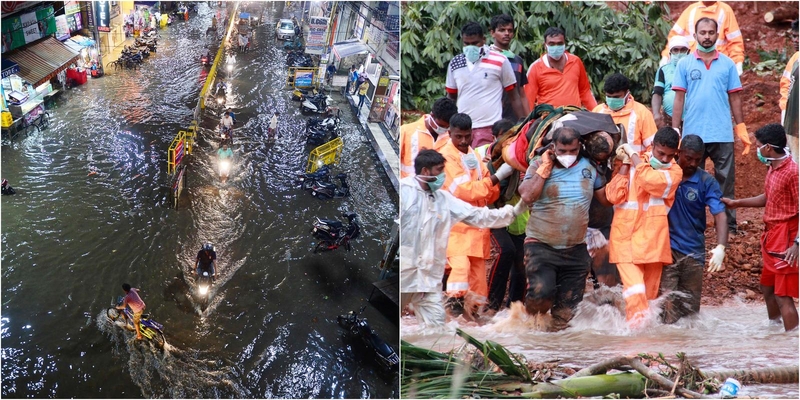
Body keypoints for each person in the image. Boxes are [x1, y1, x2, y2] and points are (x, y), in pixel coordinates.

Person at [400, 149, 526, 328]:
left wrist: (514, 211)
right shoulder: (404, 192)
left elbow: (478, 215)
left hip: (429, 278)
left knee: (436, 330)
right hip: (405, 274)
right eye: (439, 170)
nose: (443, 175)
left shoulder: (443, 199)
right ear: (426, 172)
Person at [518, 127, 609, 331]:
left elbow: (606, 199)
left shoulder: (590, 167)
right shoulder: (539, 164)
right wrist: (545, 169)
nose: (567, 156)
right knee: (541, 296)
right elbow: (527, 196)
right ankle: (529, 339)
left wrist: (622, 168)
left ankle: (558, 357)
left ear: (580, 147)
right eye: (562, 151)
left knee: (567, 312)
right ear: (553, 147)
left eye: (573, 151)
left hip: (576, 250)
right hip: (541, 245)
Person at [672, 17, 748, 234]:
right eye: (702, 32)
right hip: (692, 135)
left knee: (725, 181)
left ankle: (728, 226)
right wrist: (677, 129)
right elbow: (679, 98)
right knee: (690, 180)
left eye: (711, 32)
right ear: (695, 35)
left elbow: (735, 97)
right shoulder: (684, 64)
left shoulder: (727, 64)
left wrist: (740, 126)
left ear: (717, 35)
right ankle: (692, 225)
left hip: (722, 132)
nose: (707, 36)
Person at [722, 123, 798, 331]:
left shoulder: (793, 172)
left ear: (769, 148)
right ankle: (774, 331)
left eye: (759, 145)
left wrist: (797, 244)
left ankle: (792, 344)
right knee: (767, 287)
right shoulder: (773, 168)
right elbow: (769, 197)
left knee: (783, 296)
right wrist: (737, 203)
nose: (757, 149)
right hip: (772, 235)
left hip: (786, 238)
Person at [439, 113, 515, 318]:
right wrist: (496, 179)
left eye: (467, 136)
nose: (463, 141)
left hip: (477, 229)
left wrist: (490, 184)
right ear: (450, 134)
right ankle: (452, 320)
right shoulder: (446, 158)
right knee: (459, 276)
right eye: (459, 137)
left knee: (479, 285)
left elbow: (489, 192)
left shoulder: (472, 155)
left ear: (472, 133)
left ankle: (473, 322)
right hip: (457, 229)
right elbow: (466, 191)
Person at [606, 127, 683, 327]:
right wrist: (625, 163)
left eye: (669, 155)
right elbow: (613, 196)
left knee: (648, 301)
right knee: (635, 293)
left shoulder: (674, 172)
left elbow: (649, 180)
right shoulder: (632, 162)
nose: (664, 159)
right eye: (660, 153)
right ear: (652, 146)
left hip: (653, 244)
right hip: (625, 239)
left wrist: (632, 156)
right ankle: (636, 344)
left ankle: (644, 349)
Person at [660, 134, 728, 324]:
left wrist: (721, 246)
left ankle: (689, 351)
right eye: (688, 158)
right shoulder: (663, 174)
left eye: (697, 160)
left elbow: (720, 214)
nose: (692, 163)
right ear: (678, 153)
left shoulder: (706, 182)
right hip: (666, 250)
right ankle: (666, 352)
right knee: (666, 308)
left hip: (694, 253)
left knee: (690, 312)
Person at [445, 21, 525, 148]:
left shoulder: (500, 60)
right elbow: (451, 98)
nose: (471, 47)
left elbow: (514, 96)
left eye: (475, 43)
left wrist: (523, 124)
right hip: (462, 130)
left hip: (490, 128)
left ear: (483, 39)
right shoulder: (455, 63)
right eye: (467, 44)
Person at [660, 1, 745, 75]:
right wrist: (667, 55)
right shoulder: (691, 10)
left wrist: (737, 62)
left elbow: (734, 41)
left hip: (717, 65)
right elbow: (675, 38)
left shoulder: (725, 10)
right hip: (691, 65)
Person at [524, 27, 597, 111]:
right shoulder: (535, 68)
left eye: (559, 43)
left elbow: (585, 91)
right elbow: (528, 100)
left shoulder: (575, 61)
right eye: (551, 44)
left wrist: (597, 112)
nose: (556, 47)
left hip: (574, 116)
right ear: (545, 45)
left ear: (564, 44)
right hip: (549, 118)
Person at [593, 73, 657, 155]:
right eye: (609, 97)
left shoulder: (642, 113)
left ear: (627, 94)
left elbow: (652, 148)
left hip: (634, 166)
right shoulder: (597, 112)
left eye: (616, 97)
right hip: (604, 167)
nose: (612, 100)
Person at [399, 97, 459, 178]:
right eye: (441, 126)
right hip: (409, 187)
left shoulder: (452, 137)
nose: (444, 129)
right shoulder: (406, 131)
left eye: (447, 127)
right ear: (432, 115)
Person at [489, 14, 530, 120]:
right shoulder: (486, 59)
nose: (506, 33)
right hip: (492, 118)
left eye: (510, 30)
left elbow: (522, 94)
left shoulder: (517, 60)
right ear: (492, 33)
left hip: (514, 118)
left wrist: (527, 120)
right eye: (502, 30)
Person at [652, 36, 691, 129]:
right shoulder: (663, 70)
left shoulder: (694, 68)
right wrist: (656, 114)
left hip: (692, 117)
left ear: (688, 52)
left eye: (683, 50)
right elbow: (657, 93)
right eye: (675, 50)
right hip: (668, 118)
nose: (679, 53)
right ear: (670, 53)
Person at [780, 20, 799, 163]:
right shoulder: (795, 59)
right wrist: (785, 113)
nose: (796, 40)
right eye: (794, 36)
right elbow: (786, 86)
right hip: (793, 122)